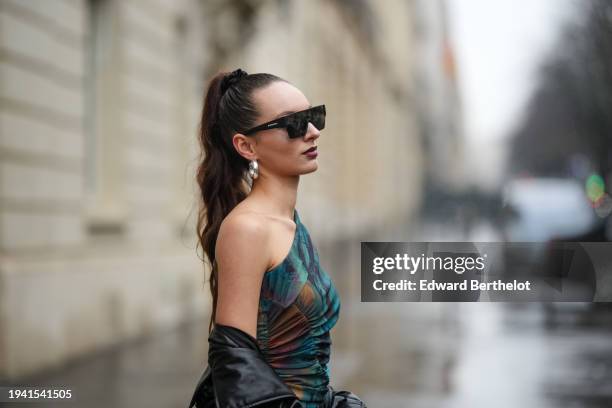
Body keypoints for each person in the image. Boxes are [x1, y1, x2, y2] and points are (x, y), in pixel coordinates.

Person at [193, 69, 366, 408]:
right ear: (246, 146)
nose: (313, 132)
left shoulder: (290, 222)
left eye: (314, 117)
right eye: (294, 123)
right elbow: (236, 367)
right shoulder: (248, 228)